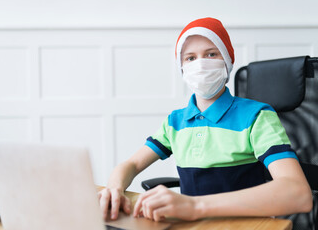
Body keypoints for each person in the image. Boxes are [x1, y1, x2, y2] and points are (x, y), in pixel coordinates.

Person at [98, 17, 312, 222]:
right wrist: (114, 188)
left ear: (227, 61)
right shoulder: (175, 121)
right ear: (182, 68)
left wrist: (194, 206)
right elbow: (132, 164)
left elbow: (298, 194)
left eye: (211, 54)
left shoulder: (257, 116)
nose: (200, 65)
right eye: (190, 58)